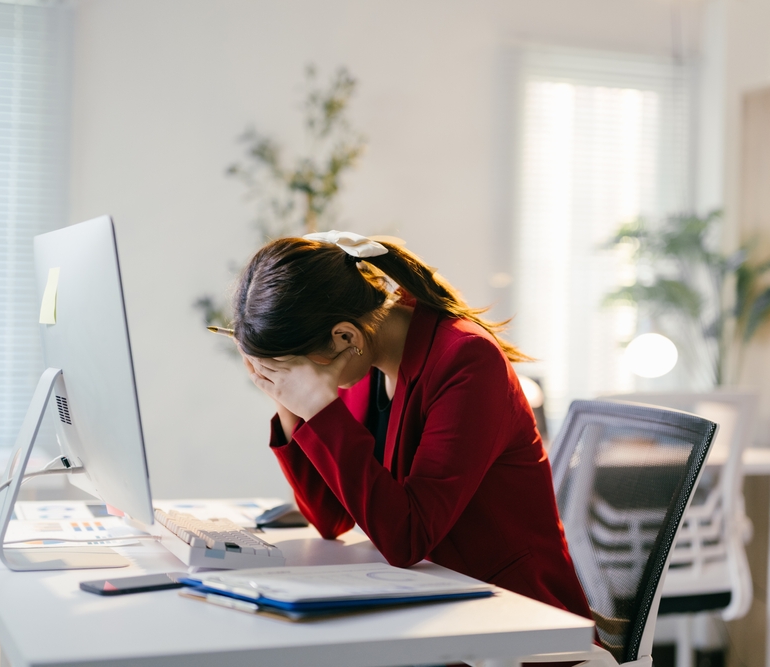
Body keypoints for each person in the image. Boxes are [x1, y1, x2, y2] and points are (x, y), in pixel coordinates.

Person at [232, 230, 591, 621]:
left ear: (344, 335)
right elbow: (331, 517)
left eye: (294, 367)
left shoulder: (467, 360)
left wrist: (318, 408)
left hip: (513, 613)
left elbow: (407, 538)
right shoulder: (361, 359)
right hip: (430, 598)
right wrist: (288, 404)